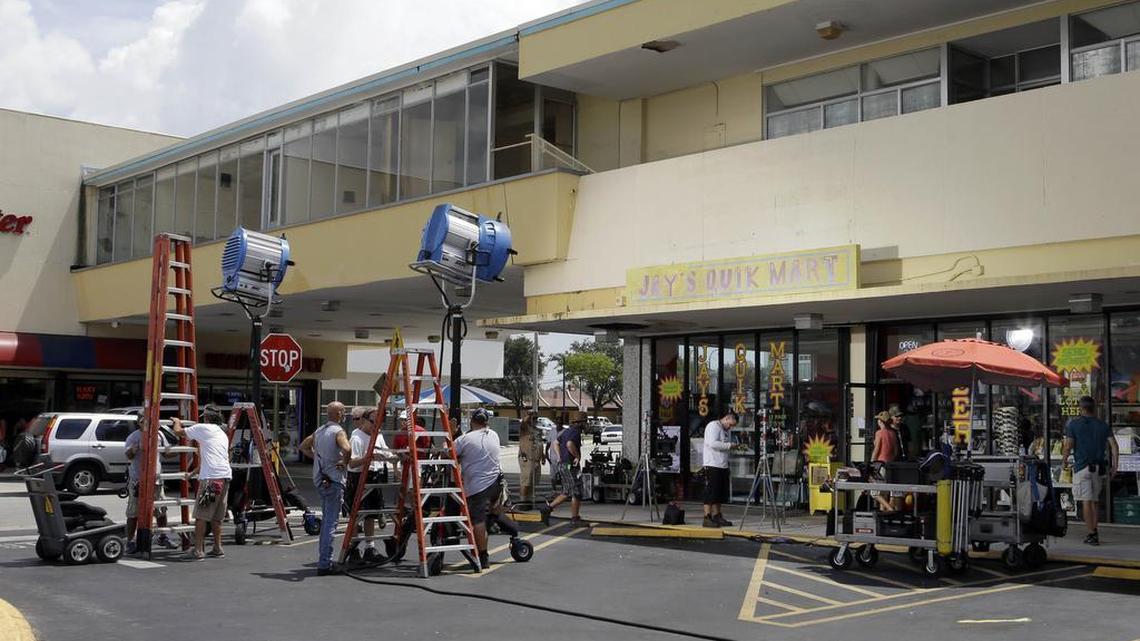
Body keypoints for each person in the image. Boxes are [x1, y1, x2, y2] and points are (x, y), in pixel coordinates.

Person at [172, 407, 233, 561]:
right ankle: (218, 548)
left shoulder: (203, 428)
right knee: (216, 517)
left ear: (206, 418)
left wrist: (177, 421)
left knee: (201, 516)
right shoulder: (222, 434)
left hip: (211, 480)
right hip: (224, 478)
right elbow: (210, 460)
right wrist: (191, 474)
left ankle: (198, 550)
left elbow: (178, 432)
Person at [299, 401, 351, 575]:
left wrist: (317, 459)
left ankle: (324, 561)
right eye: (343, 412)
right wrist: (344, 461)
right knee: (330, 523)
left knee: (328, 519)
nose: (344, 415)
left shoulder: (319, 431)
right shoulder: (338, 432)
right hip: (333, 481)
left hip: (320, 480)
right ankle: (324, 563)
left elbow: (303, 447)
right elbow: (347, 448)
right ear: (339, 414)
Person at [1061, 396, 1119, 546]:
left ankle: (1092, 534)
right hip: (1099, 469)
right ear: (1094, 408)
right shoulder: (1103, 425)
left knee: (1086, 501)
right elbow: (1114, 446)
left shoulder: (1074, 425)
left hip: (1082, 467)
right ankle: (1095, 530)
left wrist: (1064, 461)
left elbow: (1068, 445)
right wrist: (1115, 465)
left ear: (1081, 408)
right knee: (1094, 500)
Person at [454, 408, 502, 568]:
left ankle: (483, 556)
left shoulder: (464, 439)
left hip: (477, 488)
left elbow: (450, 454)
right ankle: (492, 522)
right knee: (490, 510)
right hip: (496, 483)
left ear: (472, 421)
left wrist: (455, 434)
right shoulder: (494, 435)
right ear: (486, 421)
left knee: (477, 520)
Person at [347, 407, 394, 561]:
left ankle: (370, 547)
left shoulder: (378, 435)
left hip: (375, 476)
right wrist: (370, 457)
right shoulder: (357, 438)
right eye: (374, 421)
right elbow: (352, 463)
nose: (377, 425)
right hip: (359, 477)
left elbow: (387, 453)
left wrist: (399, 456)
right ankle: (353, 549)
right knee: (357, 516)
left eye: (380, 421)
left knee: (371, 515)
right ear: (365, 420)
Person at [123, 414, 176, 554]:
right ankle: (130, 541)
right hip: (137, 479)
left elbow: (166, 453)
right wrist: (132, 450)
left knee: (161, 510)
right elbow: (128, 455)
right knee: (133, 512)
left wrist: (177, 450)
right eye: (142, 421)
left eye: (149, 421)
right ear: (138, 422)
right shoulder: (133, 437)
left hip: (156, 479)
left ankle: (162, 537)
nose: (145, 424)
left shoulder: (158, 435)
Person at [540, 411, 586, 527]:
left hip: (563, 465)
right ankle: (575, 518)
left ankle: (547, 509)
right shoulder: (576, 432)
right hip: (571, 466)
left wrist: (560, 457)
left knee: (566, 491)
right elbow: (570, 444)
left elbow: (555, 443)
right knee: (577, 492)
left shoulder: (566, 431)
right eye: (585, 422)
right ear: (580, 423)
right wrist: (577, 456)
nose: (586, 425)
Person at [702, 410, 738, 528]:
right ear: (727, 418)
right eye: (730, 424)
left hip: (722, 464)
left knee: (720, 492)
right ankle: (707, 517)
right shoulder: (713, 426)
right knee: (711, 491)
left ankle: (717, 515)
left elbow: (722, 445)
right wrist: (729, 445)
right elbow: (712, 443)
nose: (730, 427)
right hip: (712, 464)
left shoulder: (725, 430)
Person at [517, 411, 545, 510]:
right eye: (533, 419)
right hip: (527, 458)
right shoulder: (525, 429)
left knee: (533, 482)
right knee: (526, 481)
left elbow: (540, 444)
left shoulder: (538, 430)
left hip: (536, 459)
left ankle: (528, 501)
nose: (535, 420)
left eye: (536, 419)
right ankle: (522, 502)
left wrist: (543, 456)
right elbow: (523, 423)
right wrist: (528, 415)